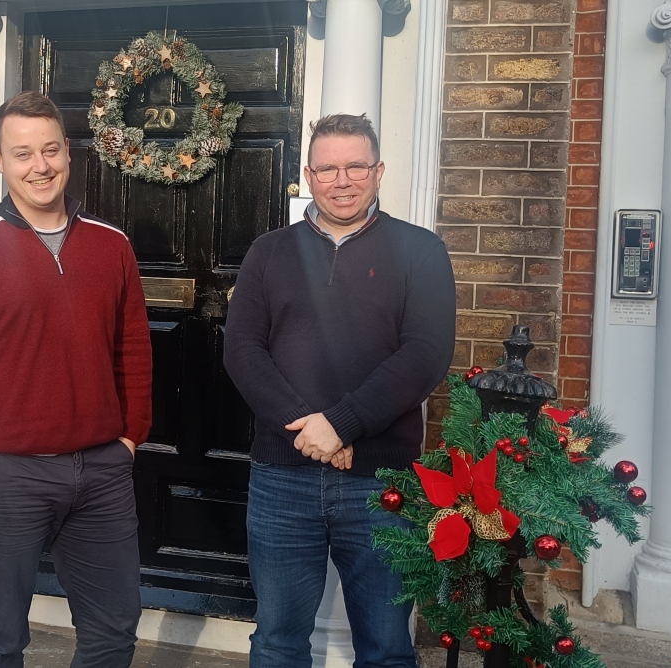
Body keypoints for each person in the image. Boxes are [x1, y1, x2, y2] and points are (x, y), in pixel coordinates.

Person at [0, 91, 152, 668]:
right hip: (6, 476)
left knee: (114, 631)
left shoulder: (111, 244)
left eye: (50, 150)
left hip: (101, 472)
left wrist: (130, 438)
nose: (39, 166)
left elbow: (133, 347)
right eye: (23, 154)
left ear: (68, 152)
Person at [224, 113, 456, 667]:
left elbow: (425, 356)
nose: (342, 179)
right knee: (277, 642)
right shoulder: (268, 252)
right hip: (282, 477)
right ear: (308, 174)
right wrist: (312, 428)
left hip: (379, 484)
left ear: (379, 172)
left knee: (385, 647)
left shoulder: (420, 251)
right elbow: (242, 352)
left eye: (356, 166)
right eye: (327, 168)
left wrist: (342, 424)